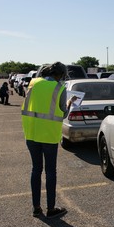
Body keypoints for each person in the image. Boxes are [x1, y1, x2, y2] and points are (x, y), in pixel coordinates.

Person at [21, 62, 77, 218]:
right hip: (49, 136)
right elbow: (63, 113)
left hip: (31, 133)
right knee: (50, 171)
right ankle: (51, 208)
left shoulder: (32, 83)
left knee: (36, 169)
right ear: (60, 75)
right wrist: (70, 103)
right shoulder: (60, 89)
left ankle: (36, 208)